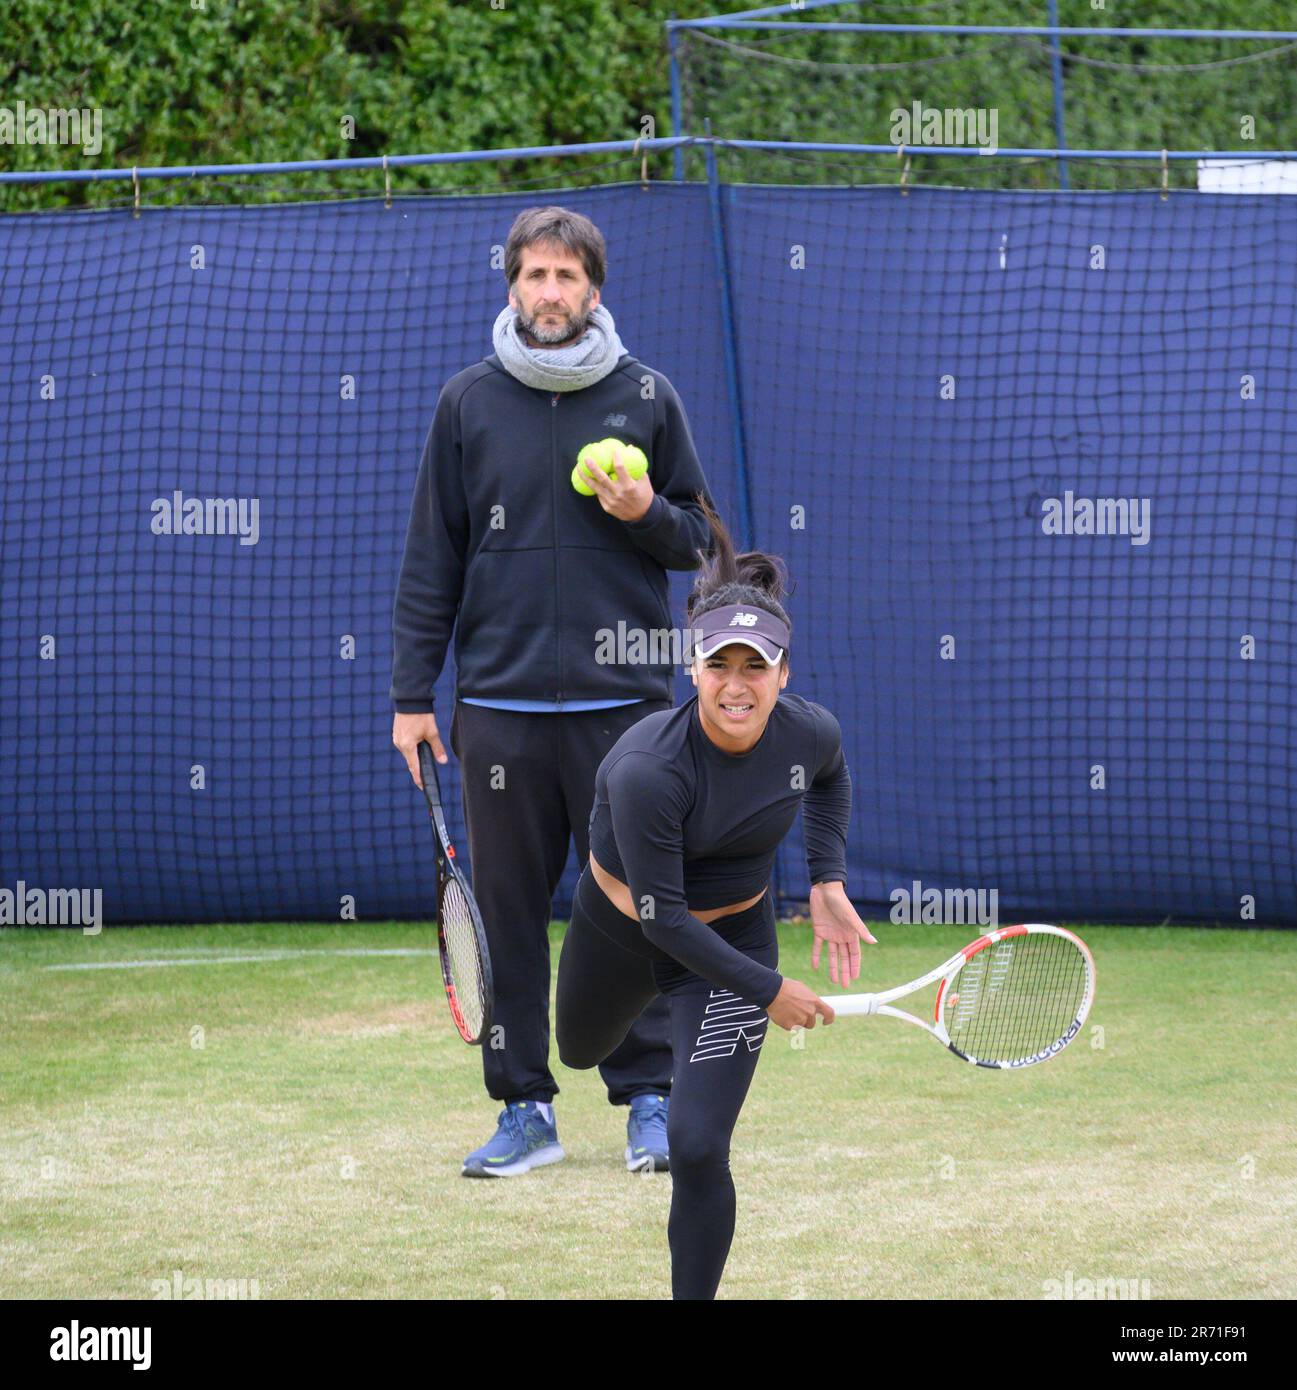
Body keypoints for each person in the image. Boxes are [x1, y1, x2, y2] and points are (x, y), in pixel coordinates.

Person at [391, 206, 714, 1177]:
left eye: (566, 277)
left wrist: (640, 509)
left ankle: (648, 1100)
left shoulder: (649, 397)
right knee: (506, 915)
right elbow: (430, 561)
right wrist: (414, 695)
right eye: (532, 275)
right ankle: (524, 1107)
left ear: (594, 291)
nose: (549, 293)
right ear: (511, 286)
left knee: (632, 908)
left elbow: (700, 543)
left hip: (626, 714)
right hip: (499, 710)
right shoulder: (465, 403)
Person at [555, 499, 877, 1299]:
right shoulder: (647, 770)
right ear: (691, 669)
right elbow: (661, 916)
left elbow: (828, 780)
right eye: (719, 665)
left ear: (783, 673)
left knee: (697, 1146)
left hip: (730, 950)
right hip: (627, 933)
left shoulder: (811, 734)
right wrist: (771, 993)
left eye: (755, 666)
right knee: (579, 1050)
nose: (737, 685)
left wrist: (826, 878)